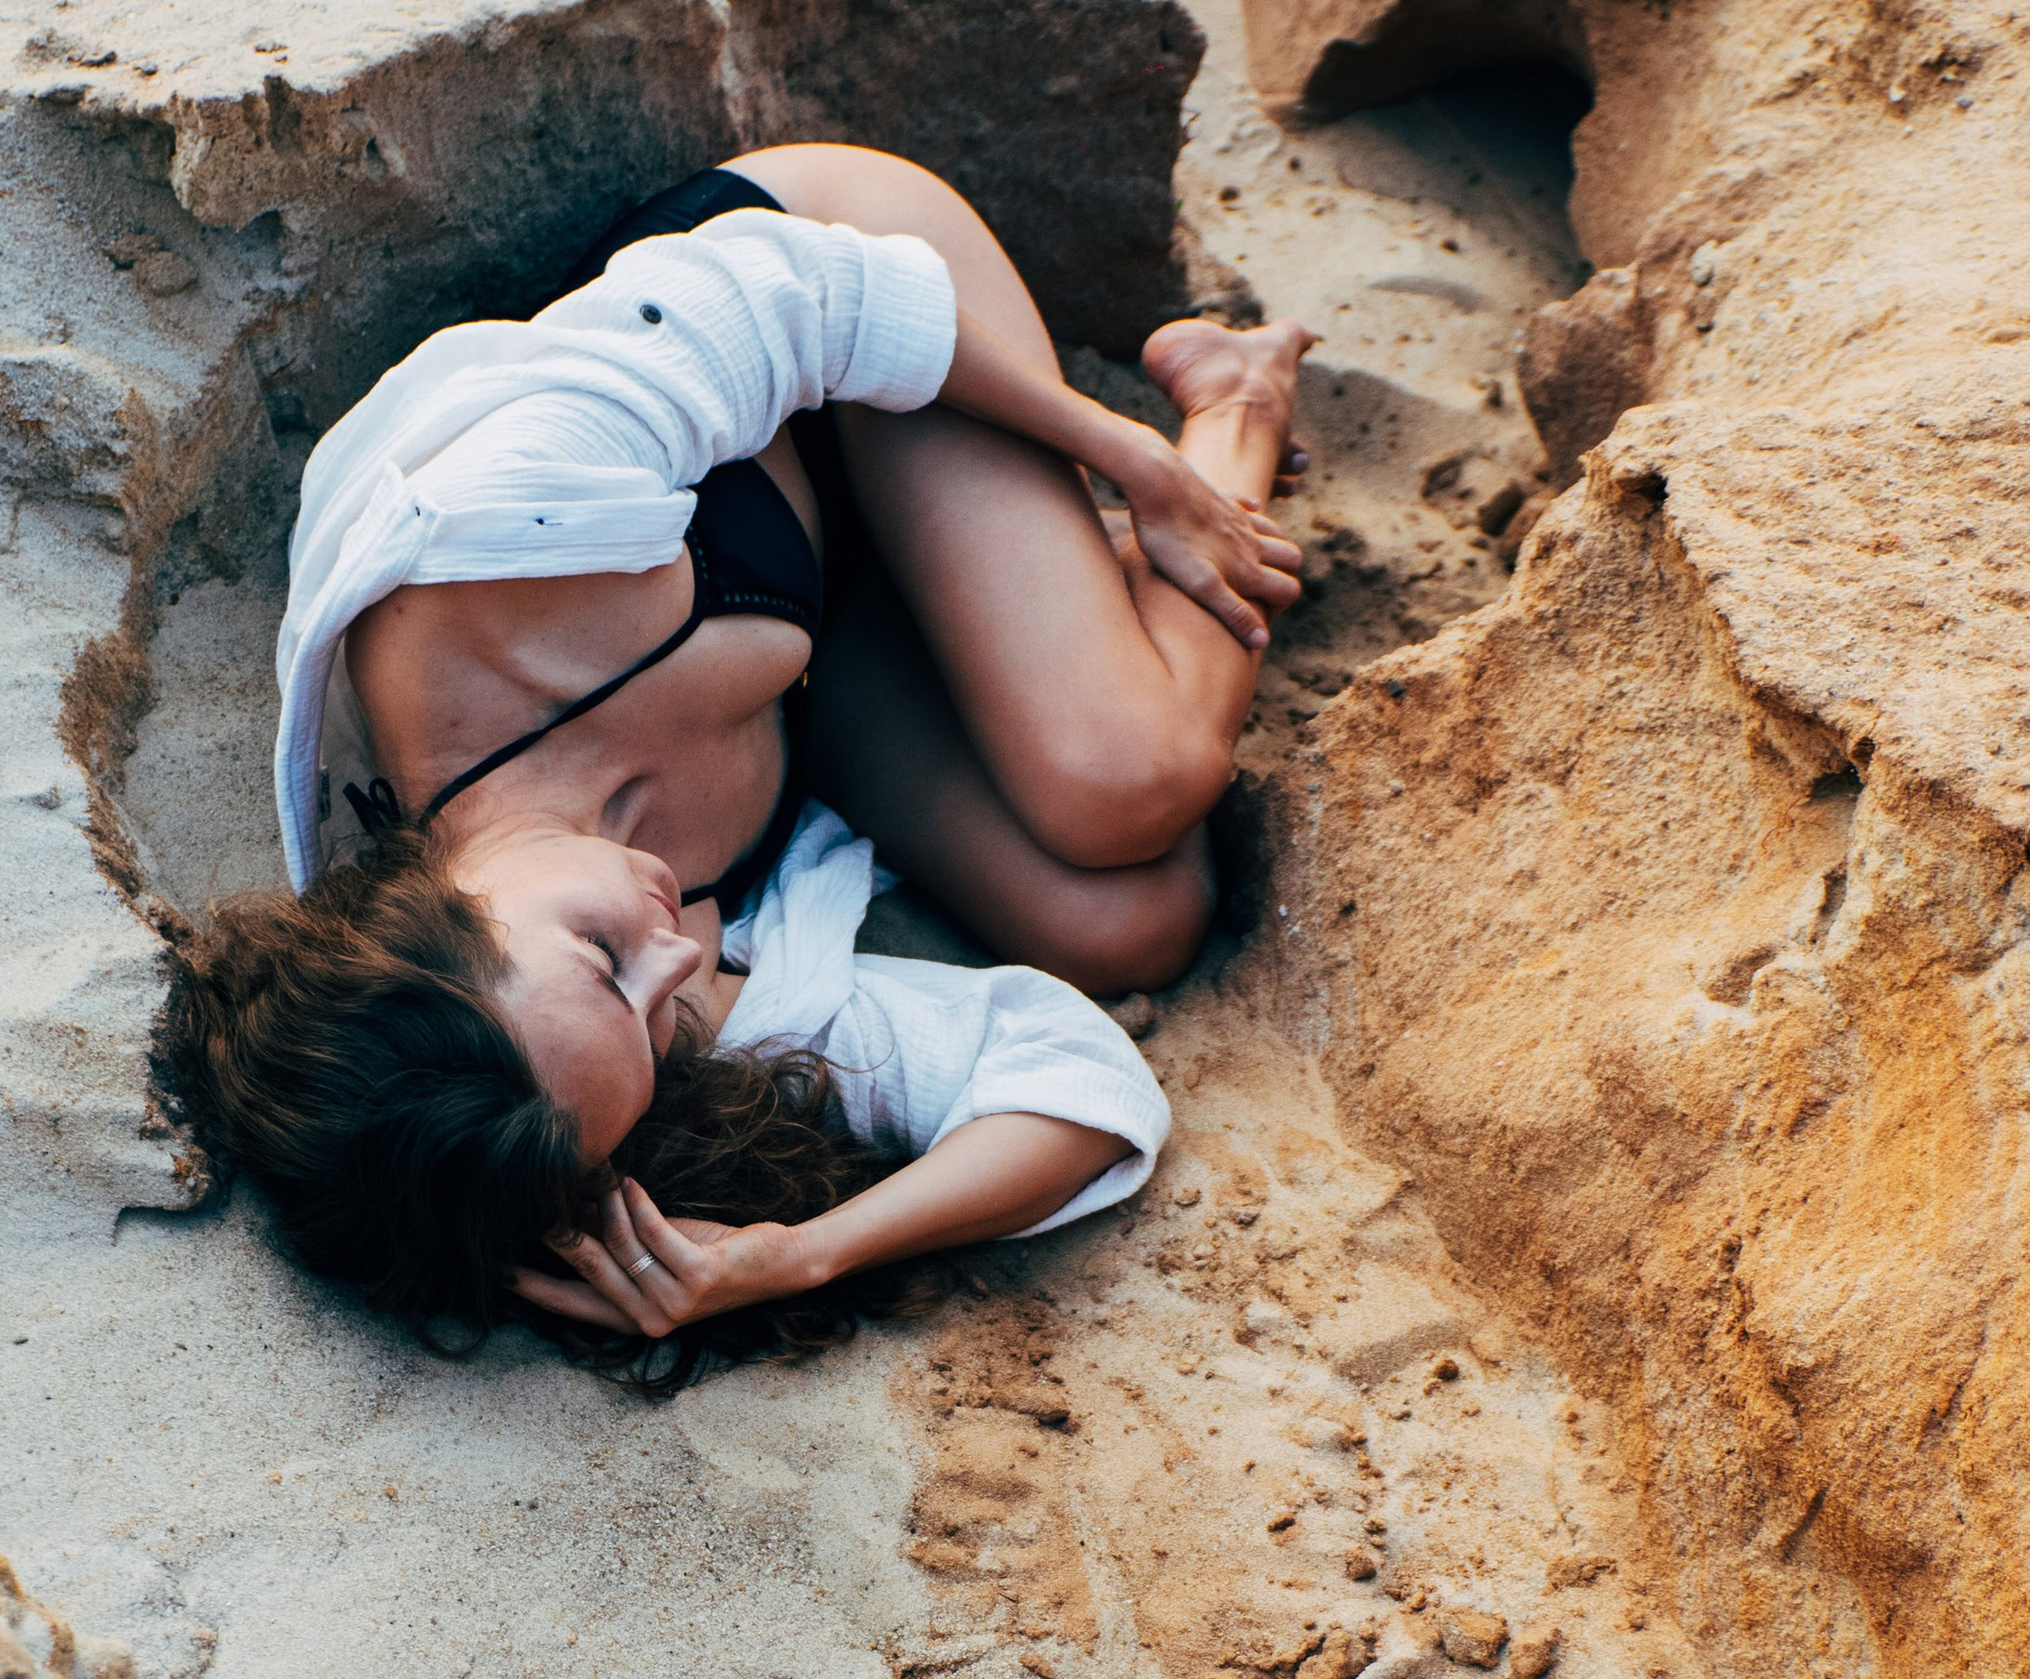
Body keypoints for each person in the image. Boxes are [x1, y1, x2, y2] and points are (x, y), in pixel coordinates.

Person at [158, 144, 1311, 1382]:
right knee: (1129, 919)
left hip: (845, 305)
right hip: (819, 624)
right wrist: (800, 1251)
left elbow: (810, 296)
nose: (679, 956)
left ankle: (1220, 420)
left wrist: (1137, 468)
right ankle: (1025, 594)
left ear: (424, 903)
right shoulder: (574, 1047)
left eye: (608, 959)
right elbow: (1077, 1076)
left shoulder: (490, 559)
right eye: (658, 1022)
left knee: (1128, 779)